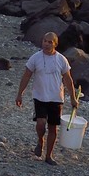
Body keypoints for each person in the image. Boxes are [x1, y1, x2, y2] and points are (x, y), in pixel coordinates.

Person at [15, 32, 79, 165]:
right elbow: (26, 75)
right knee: (40, 123)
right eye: (45, 41)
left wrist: (73, 98)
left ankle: (49, 156)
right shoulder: (35, 58)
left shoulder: (61, 59)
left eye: (50, 42)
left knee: (53, 128)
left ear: (55, 44)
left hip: (56, 98)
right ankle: (40, 141)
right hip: (39, 96)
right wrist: (20, 93)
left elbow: (68, 79)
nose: (46, 43)